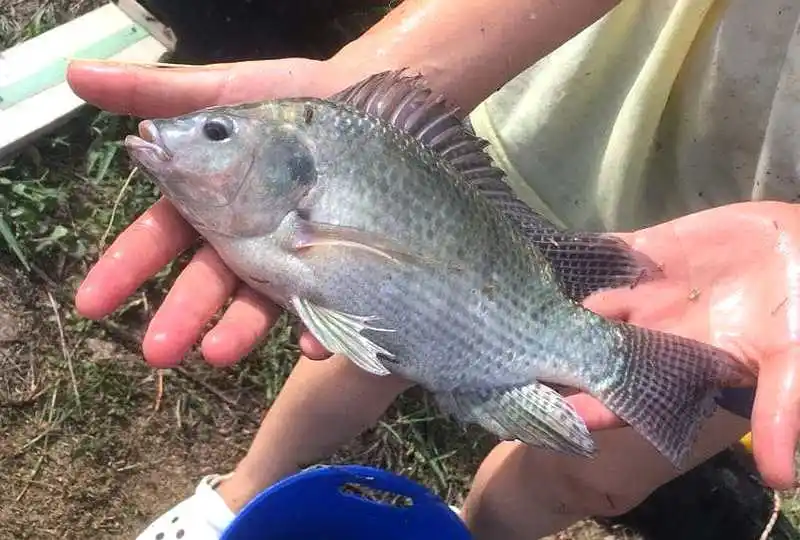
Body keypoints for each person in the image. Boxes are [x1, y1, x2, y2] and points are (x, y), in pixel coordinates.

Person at [66, 0, 800, 538]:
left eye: (218, 134)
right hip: (573, 113)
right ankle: (241, 496)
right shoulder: (310, 172)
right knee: (357, 360)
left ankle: (470, 532)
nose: (183, 139)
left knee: (595, 473)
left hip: (757, 266)